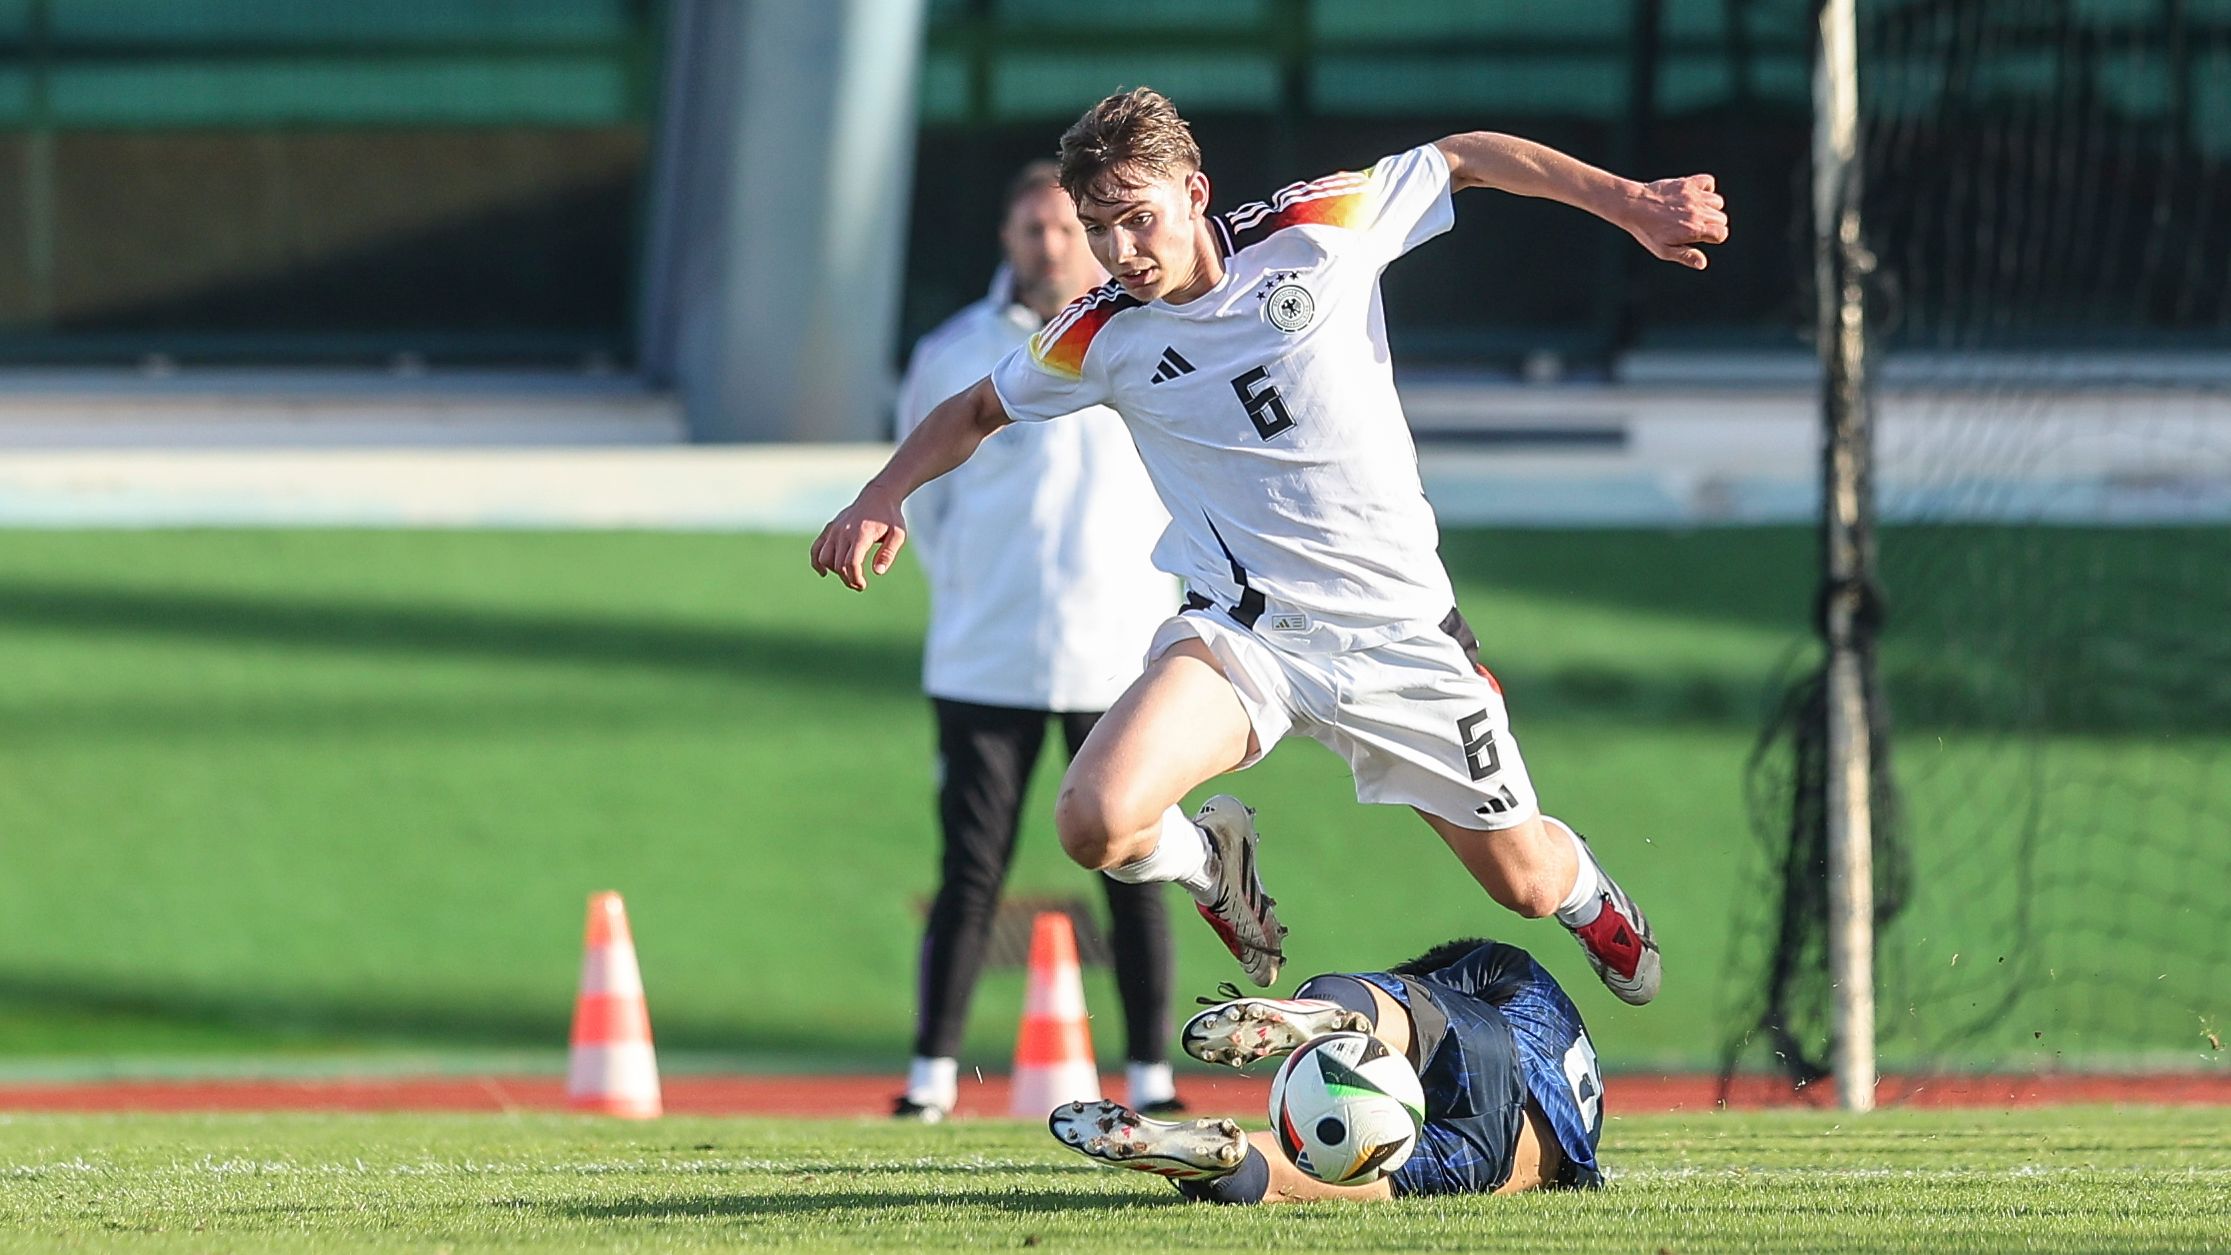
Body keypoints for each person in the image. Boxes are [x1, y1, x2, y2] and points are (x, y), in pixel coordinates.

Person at [813, 87, 1730, 1004]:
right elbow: (977, 407)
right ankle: (1211, 865)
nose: (1122, 252)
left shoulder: (1314, 229)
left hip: (1399, 637)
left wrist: (1628, 201)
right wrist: (881, 493)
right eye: (1099, 229)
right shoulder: (1100, 333)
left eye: (1139, 220)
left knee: (1522, 882)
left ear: (1195, 191)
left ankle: (1589, 901)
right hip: (1244, 634)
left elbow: (1462, 155)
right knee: (1096, 821)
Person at [891, 161, 1184, 1122]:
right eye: (1032, 230)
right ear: (1007, 239)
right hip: (987, 649)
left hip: (1118, 648)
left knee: (1133, 858)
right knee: (970, 870)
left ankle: (1152, 1077)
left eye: (1068, 228)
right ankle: (930, 1080)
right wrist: (974, 586)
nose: (1051, 246)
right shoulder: (952, 351)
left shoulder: (1143, 332)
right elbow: (924, 495)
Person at [1049, 937, 1604, 1203]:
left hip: (1485, 1079)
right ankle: (1231, 1167)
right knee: (1342, 1172)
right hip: (1490, 1166)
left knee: (1391, 1012)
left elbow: (1425, 993)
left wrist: (1382, 993)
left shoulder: (1504, 975)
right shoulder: (1541, 1006)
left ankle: (1323, 1012)